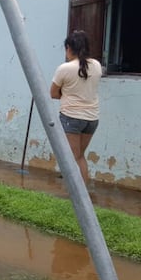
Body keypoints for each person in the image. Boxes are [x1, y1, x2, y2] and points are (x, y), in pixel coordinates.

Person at [50, 30, 101, 183]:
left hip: (71, 117)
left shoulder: (65, 68)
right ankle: (83, 195)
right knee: (79, 157)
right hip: (92, 118)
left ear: (69, 48)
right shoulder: (96, 65)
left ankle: (79, 198)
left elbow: (52, 93)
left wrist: (65, 95)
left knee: (72, 159)